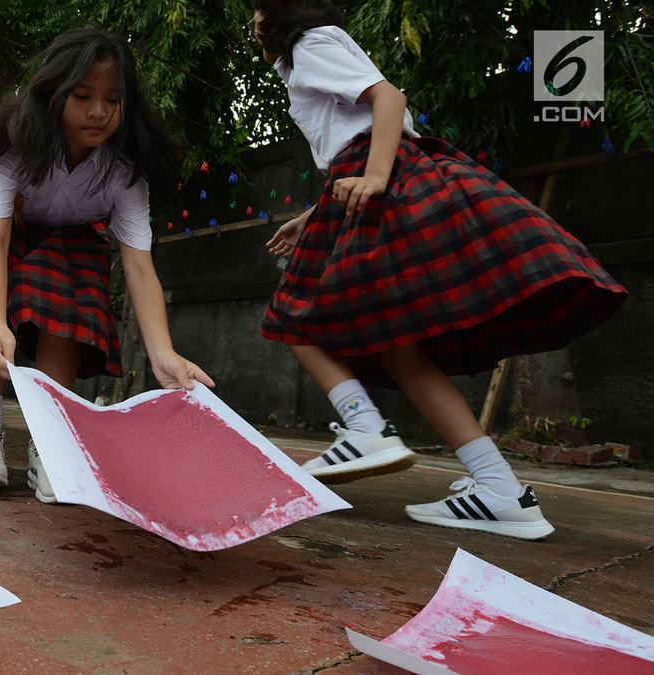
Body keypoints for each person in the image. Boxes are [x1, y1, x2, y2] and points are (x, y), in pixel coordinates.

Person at [251, 0, 627, 539]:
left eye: (257, 15)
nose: (253, 26)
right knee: (396, 345)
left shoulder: (309, 46)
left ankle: (364, 426)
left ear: (280, 16)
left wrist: (375, 177)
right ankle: (500, 490)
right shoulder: (314, 55)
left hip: (380, 173)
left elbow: (388, 101)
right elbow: (358, 134)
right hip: (375, 174)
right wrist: (315, 215)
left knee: (294, 317)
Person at [0, 27, 214, 503]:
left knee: (68, 300)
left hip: (71, 237)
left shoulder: (124, 172)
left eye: (113, 99)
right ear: (52, 93)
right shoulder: (12, 147)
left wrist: (163, 354)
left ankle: (51, 442)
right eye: (83, 95)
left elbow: (139, 267)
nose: (99, 111)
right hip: (3, 227)